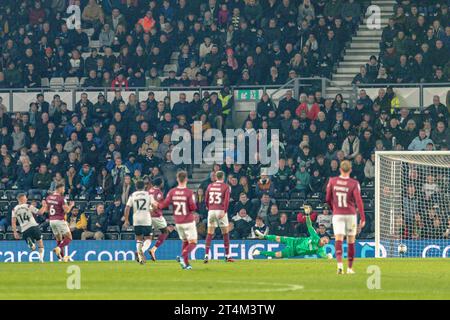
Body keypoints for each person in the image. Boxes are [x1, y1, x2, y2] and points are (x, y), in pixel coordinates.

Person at [326, 160, 365, 274]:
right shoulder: (354, 183)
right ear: (350, 170)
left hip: (338, 214)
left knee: (338, 239)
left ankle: (339, 265)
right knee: (351, 241)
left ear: (340, 169)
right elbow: (359, 201)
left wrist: (334, 209)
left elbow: (328, 198)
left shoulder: (332, 181)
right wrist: (362, 217)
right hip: (350, 214)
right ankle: (350, 268)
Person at [253, 205, 332, 259]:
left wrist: (328, 256)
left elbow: (324, 256)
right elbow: (309, 226)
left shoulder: (320, 249)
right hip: (294, 241)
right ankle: (264, 236)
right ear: (322, 238)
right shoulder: (315, 237)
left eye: (325, 242)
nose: (324, 242)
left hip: (293, 251)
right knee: (278, 238)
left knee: (277, 254)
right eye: (324, 240)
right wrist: (307, 215)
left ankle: (259, 252)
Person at [155, 171, 197, 270]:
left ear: (177, 179)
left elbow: (164, 205)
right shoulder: (189, 193)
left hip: (178, 222)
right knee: (193, 243)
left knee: (185, 241)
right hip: (188, 221)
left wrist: (157, 204)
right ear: (186, 179)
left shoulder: (172, 192)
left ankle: (186, 264)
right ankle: (182, 256)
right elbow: (193, 207)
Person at [204, 171, 234, 263]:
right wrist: (224, 211)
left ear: (216, 177)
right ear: (223, 177)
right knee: (225, 233)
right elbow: (226, 201)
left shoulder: (210, 186)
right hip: (220, 210)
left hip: (211, 210)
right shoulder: (226, 187)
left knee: (209, 233)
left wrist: (209, 208)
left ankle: (206, 256)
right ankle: (227, 256)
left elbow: (206, 199)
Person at [11, 193, 48, 263]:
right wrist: (44, 206)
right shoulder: (28, 206)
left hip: (24, 229)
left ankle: (31, 244)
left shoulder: (14, 209)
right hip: (33, 226)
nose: (26, 199)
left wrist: (15, 232)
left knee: (33, 248)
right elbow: (40, 213)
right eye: (25, 198)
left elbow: (13, 222)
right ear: (21, 199)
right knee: (40, 242)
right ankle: (41, 259)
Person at [124, 180, 153, 264]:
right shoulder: (148, 195)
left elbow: (127, 207)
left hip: (136, 219)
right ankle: (141, 251)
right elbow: (152, 208)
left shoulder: (132, 195)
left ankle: (140, 258)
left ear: (136, 187)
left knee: (139, 238)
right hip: (146, 219)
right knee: (148, 238)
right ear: (144, 187)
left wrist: (126, 220)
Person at [45, 183, 75, 262]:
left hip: (52, 220)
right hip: (59, 220)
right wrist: (71, 205)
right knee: (69, 237)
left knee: (59, 239)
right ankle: (58, 248)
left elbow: (47, 210)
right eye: (63, 189)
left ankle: (61, 258)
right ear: (60, 189)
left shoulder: (48, 198)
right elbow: (67, 210)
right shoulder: (61, 199)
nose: (64, 190)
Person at [147, 177, 169, 261]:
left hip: (148, 215)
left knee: (148, 235)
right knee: (165, 231)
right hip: (155, 215)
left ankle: (140, 250)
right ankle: (153, 249)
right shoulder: (158, 192)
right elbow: (156, 204)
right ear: (160, 184)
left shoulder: (149, 190)